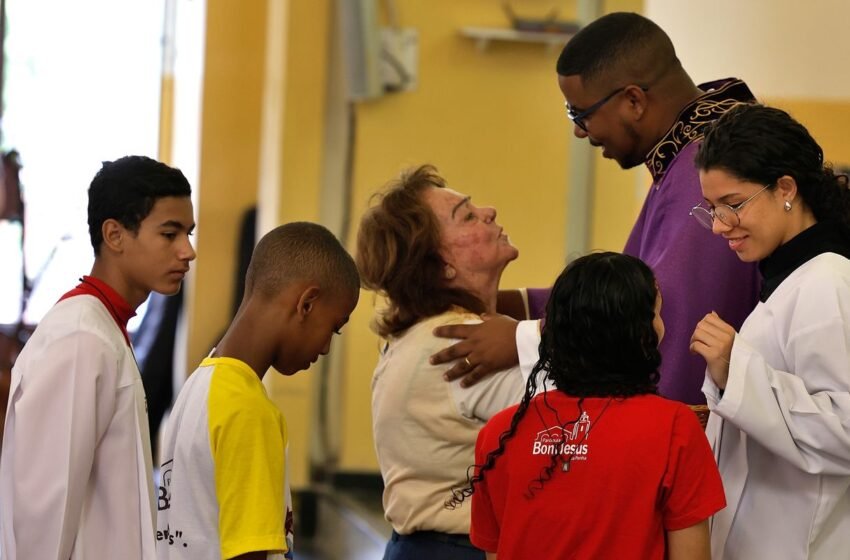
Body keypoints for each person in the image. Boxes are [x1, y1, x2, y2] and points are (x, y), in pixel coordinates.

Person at [430, 12, 760, 408]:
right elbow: (622, 288)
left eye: (580, 114)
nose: (579, 132)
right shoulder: (688, 149)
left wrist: (527, 338)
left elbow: (668, 314)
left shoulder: (707, 169)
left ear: (633, 100)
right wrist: (510, 303)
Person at [456, 252, 725, 559]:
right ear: (640, 336)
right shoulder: (675, 427)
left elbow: (495, 553)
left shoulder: (499, 432)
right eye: (657, 313)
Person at [0, 156, 196, 560]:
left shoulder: (105, 326)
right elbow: (44, 511)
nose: (188, 251)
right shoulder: (80, 337)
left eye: (188, 234)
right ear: (115, 235)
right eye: (170, 233)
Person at [689, 104, 850, 559]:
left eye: (734, 204)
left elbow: (844, 429)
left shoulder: (827, 282)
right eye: (711, 208)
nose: (720, 226)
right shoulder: (791, 277)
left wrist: (734, 371)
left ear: (785, 188)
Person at [156, 222, 360, 560]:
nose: (325, 348)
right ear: (306, 304)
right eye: (333, 329)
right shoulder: (248, 410)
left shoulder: (201, 383)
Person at [356, 165, 526, 560]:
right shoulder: (462, 341)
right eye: (467, 215)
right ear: (440, 266)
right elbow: (570, 417)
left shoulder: (420, 331)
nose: (490, 210)